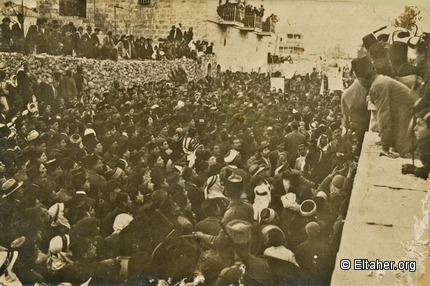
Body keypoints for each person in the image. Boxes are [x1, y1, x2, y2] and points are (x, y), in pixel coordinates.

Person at [351, 56, 415, 157]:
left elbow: (384, 116)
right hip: (408, 120)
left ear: (361, 79)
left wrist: (385, 147)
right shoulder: (380, 80)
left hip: (410, 122)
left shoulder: (378, 85)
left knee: (404, 153)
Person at [402, 108, 430, 179]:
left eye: (420, 125)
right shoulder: (426, 145)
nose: (415, 128)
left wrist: (414, 170)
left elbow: (428, 173)